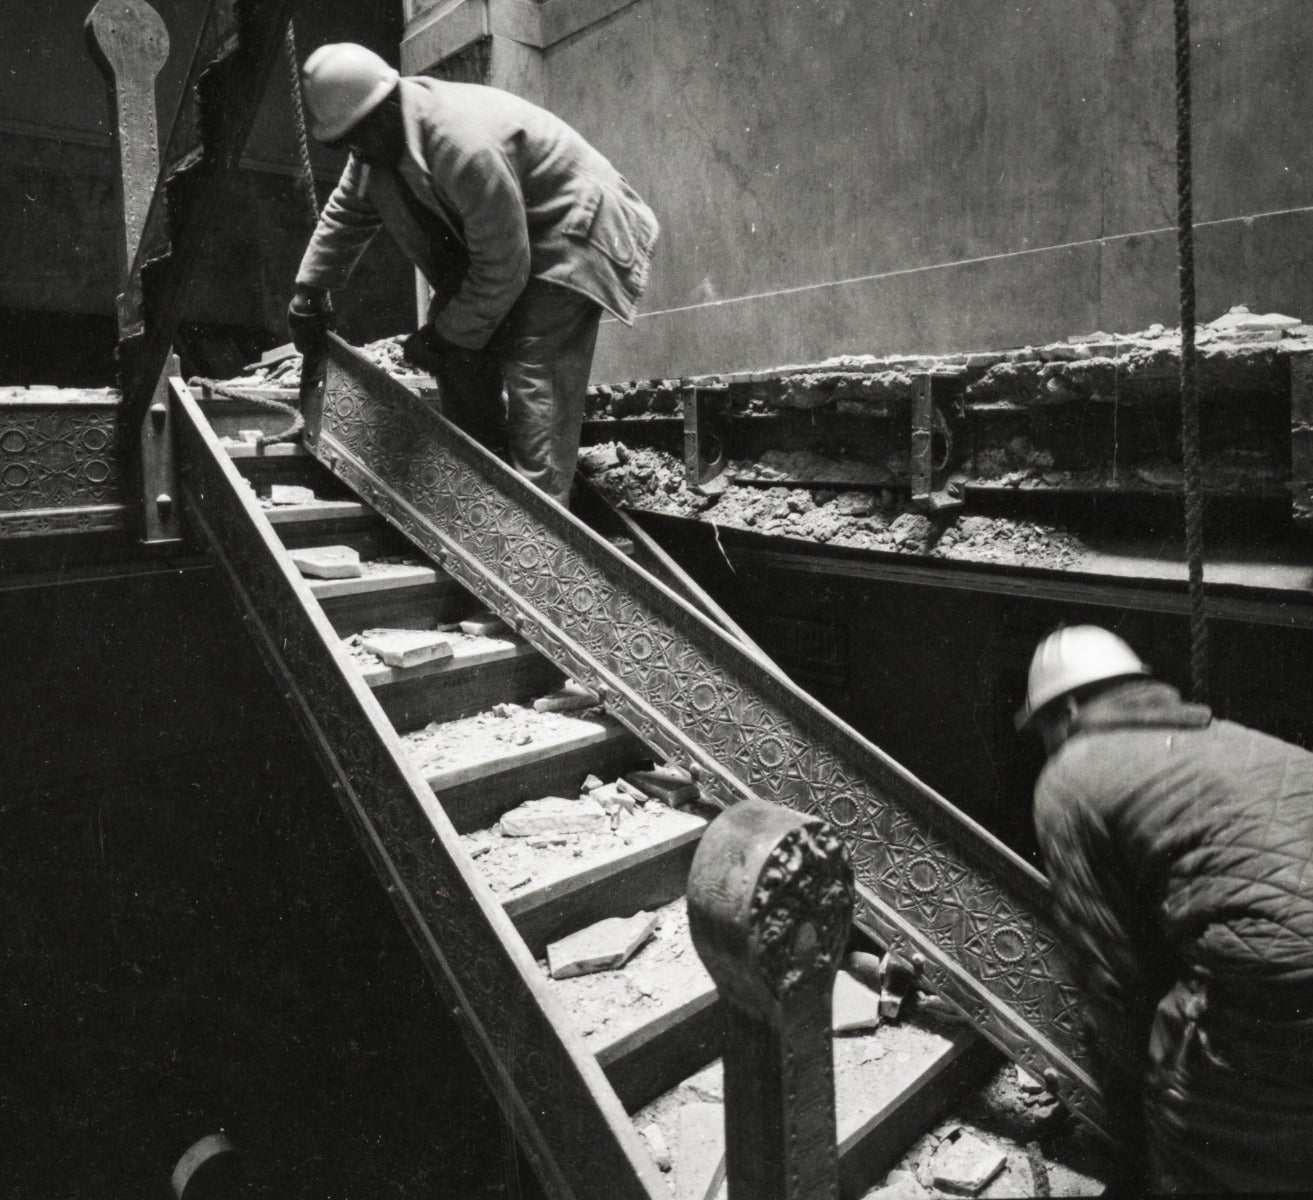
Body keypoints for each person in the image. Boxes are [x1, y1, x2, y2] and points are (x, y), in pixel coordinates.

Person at [286, 43, 659, 506]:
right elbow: (349, 208)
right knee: (456, 336)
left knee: (533, 365)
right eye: (344, 145)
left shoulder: (462, 143)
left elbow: (503, 269)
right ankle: (487, 479)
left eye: (353, 140)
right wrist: (309, 289)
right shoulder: (378, 137)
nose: (353, 153)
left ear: (380, 112)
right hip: (517, 238)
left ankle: (538, 524)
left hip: (572, 229)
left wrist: (441, 338)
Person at [1017, 625, 1313, 1193]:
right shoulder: (1236, 739)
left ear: (1071, 710)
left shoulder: (1070, 774)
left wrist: (1132, 1093)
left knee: (1195, 1138)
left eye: (1046, 728)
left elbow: (1112, 976)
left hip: (1278, 996)